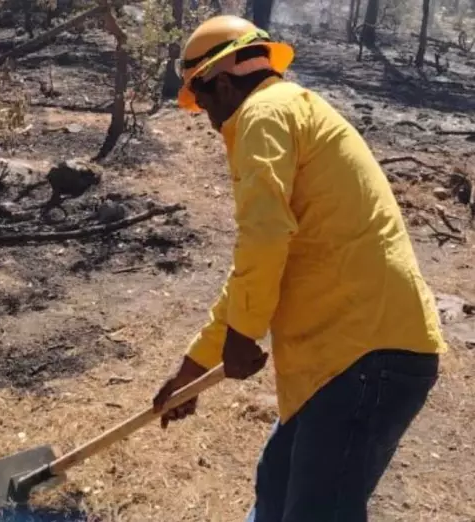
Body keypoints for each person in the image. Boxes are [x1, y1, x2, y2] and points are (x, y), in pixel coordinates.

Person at [151, 14, 447, 522]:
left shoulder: (263, 117)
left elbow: (265, 239)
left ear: (222, 82)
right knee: (277, 486)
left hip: (367, 356)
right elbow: (260, 260)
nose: (203, 116)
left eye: (200, 100)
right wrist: (193, 366)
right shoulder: (290, 110)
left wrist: (243, 335)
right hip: (346, 356)